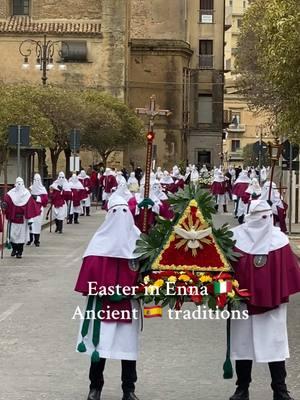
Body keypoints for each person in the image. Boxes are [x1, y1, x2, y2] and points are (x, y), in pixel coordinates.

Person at [230, 199, 300, 400]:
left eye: (265, 216)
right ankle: (242, 388)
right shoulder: (234, 237)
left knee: (274, 344)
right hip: (242, 302)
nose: (262, 221)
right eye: (258, 216)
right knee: (242, 344)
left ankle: (280, 389)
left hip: (273, 304)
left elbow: (289, 273)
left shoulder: (279, 240)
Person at [74, 195, 141, 400]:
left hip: (129, 305)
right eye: (116, 212)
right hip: (102, 306)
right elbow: (88, 278)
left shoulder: (139, 242)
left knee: (128, 349)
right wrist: (102, 290)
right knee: (99, 346)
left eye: (124, 212)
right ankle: (95, 387)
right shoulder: (98, 243)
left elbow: (148, 273)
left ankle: (128, 390)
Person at [3, 177, 40, 258]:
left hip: (23, 219)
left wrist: (30, 218)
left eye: (21, 183)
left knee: (21, 236)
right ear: (15, 184)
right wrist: (4, 204)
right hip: (13, 218)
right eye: (18, 183)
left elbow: (31, 206)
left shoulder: (27, 194)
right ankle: (14, 249)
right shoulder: (11, 193)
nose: (19, 185)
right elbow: (6, 200)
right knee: (12, 235)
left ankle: (20, 252)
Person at [27, 173, 48, 246]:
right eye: (35, 180)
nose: (36, 181)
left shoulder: (43, 189)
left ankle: (37, 240)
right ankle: (30, 239)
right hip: (31, 209)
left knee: (37, 225)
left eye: (38, 180)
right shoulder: (31, 188)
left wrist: (37, 198)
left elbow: (45, 200)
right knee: (31, 224)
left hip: (39, 210)